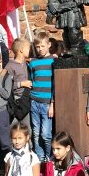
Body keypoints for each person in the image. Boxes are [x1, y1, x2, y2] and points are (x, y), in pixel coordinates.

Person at [28, 30, 55, 162]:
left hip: (47, 103)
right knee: (36, 132)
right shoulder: (33, 62)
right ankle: (40, 157)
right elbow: (32, 80)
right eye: (37, 46)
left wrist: (52, 104)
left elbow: (55, 84)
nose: (40, 49)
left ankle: (49, 157)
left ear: (49, 45)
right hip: (34, 101)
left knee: (46, 134)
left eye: (43, 46)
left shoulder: (53, 61)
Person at [6, 38, 33, 129]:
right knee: (13, 130)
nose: (30, 50)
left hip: (26, 101)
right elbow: (6, 86)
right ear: (21, 50)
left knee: (27, 129)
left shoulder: (27, 64)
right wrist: (21, 84)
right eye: (28, 48)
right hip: (15, 102)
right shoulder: (9, 66)